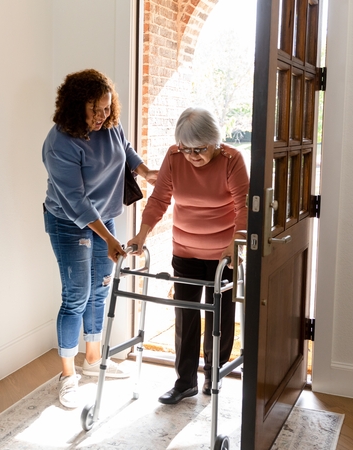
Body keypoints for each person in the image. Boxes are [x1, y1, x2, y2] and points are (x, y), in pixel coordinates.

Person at [42, 69, 158, 408]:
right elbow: (76, 201)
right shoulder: (60, 143)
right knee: (76, 295)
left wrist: (145, 171)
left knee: (101, 288)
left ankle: (92, 359)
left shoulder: (110, 125)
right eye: (95, 109)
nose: (102, 115)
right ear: (75, 106)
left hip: (104, 217)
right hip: (68, 221)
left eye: (107, 108)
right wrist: (108, 238)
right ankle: (67, 375)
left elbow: (125, 149)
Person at [126, 106, 249, 404]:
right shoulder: (174, 157)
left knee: (219, 316)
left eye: (199, 149)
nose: (192, 156)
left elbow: (244, 205)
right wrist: (142, 234)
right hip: (185, 250)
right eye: (186, 148)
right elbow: (159, 199)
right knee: (185, 315)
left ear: (215, 141)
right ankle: (185, 382)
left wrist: (236, 243)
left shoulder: (231, 160)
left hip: (223, 256)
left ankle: (214, 374)